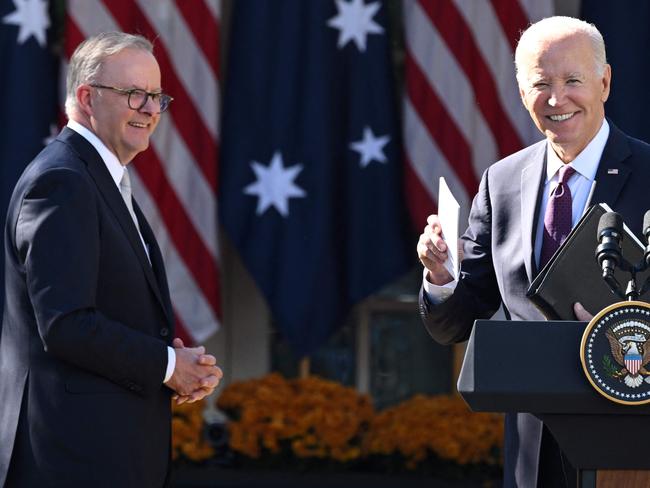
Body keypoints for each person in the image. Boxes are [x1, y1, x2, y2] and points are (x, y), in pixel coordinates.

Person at [417, 16, 650, 488]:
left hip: (631, 439)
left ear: (604, 82)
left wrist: (624, 330)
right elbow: (458, 321)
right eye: (541, 84)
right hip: (532, 447)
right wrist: (441, 277)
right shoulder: (502, 182)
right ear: (522, 93)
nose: (556, 99)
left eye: (572, 81)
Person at [0, 32, 222, 487]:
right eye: (134, 94)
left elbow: (100, 309)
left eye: (157, 96)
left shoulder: (97, 177)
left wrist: (169, 360)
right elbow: (65, 323)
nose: (150, 109)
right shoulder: (63, 180)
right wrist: (165, 366)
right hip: (70, 461)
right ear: (86, 97)